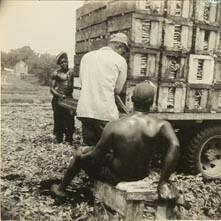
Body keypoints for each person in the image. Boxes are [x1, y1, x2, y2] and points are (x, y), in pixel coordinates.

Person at [51, 81, 180, 199]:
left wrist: (80, 156)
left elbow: (95, 157)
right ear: (152, 101)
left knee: (81, 153)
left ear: (132, 99)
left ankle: (61, 189)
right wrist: (163, 180)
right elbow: (175, 146)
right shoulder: (161, 125)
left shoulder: (115, 125)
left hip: (116, 177)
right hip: (142, 175)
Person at [76, 32, 129, 146]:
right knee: (105, 150)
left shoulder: (87, 57)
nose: (123, 55)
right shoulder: (120, 61)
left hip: (85, 111)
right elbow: (117, 90)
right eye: (123, 51)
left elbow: (82, 82)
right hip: (105, 113)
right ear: (119, 46)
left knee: (89, 147)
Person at [50, 52, 75, 144]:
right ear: (60, 64)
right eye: (63, 62)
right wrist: (59, 95)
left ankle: (69, 138)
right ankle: (59, 138)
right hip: (58, 99)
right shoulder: (56, 73)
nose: (65, 64)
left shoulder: (72, 72)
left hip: (69, 99)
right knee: (58, 118)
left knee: (70, 118)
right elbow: (51, 89)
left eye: (66, 62)